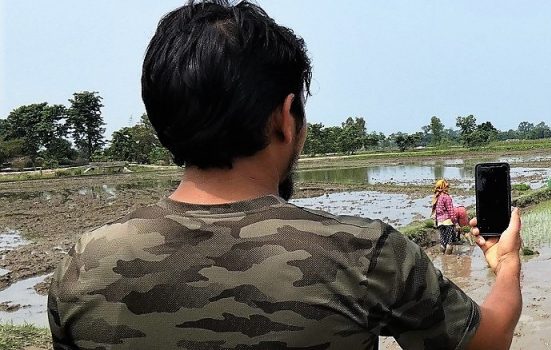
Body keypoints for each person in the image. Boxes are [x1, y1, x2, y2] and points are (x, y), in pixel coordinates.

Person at [47, 2, 523, 349]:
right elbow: (488, 339)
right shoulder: (365, 254)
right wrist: (507, 268)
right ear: (286, 116)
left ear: (161, 119)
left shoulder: (81, 267)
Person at [433, 179, 459, 253]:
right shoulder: (446, 197)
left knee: (443, 240)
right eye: (447, 187)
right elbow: (450, 210)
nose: (448, 188)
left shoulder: (437, 197)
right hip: (447, 221)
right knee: (449, 241)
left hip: (440, 222)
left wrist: (436, 221)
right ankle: (448, 260)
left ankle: (442, 256)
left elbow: (436, 211)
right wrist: (455, 222)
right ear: (444, 187)